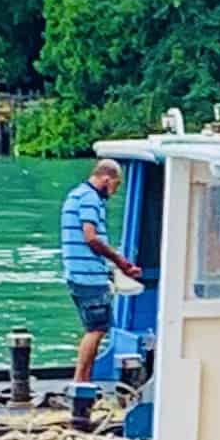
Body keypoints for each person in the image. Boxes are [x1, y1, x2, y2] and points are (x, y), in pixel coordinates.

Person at [60, 155, 143, 388]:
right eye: (116, 186)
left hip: (78, 271)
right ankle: (81, 382)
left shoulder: (75, 194)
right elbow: (91, 237)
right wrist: (121, 262)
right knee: (96, 329)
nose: (114, 192)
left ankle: (82, 380)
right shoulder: (90, 199)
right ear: (107, 178)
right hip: (87, 274)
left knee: (95, 327)